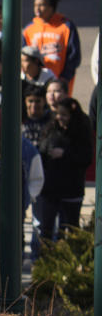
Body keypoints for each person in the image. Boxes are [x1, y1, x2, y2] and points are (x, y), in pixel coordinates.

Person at [36, 96, 93, 242]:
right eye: (58, 114)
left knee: (71, 229)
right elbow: (41, 148)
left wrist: (65, 154)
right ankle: (46, 259)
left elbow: (86, 157)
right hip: (50, 189)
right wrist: (48, 150)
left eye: (64, 115)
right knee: (46, 229)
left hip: (72, 189)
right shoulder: (50, 129)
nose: (60, 118)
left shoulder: (81, 132)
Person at [23, 0, 81, 91]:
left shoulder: (66, 27)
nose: (37, 8)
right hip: (34, 83)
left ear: (52, 7)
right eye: (35, 5)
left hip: (59, 83)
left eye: (42, 5)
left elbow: (73, 56)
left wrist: (64, 78)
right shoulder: (29, 29)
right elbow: (23, 56)